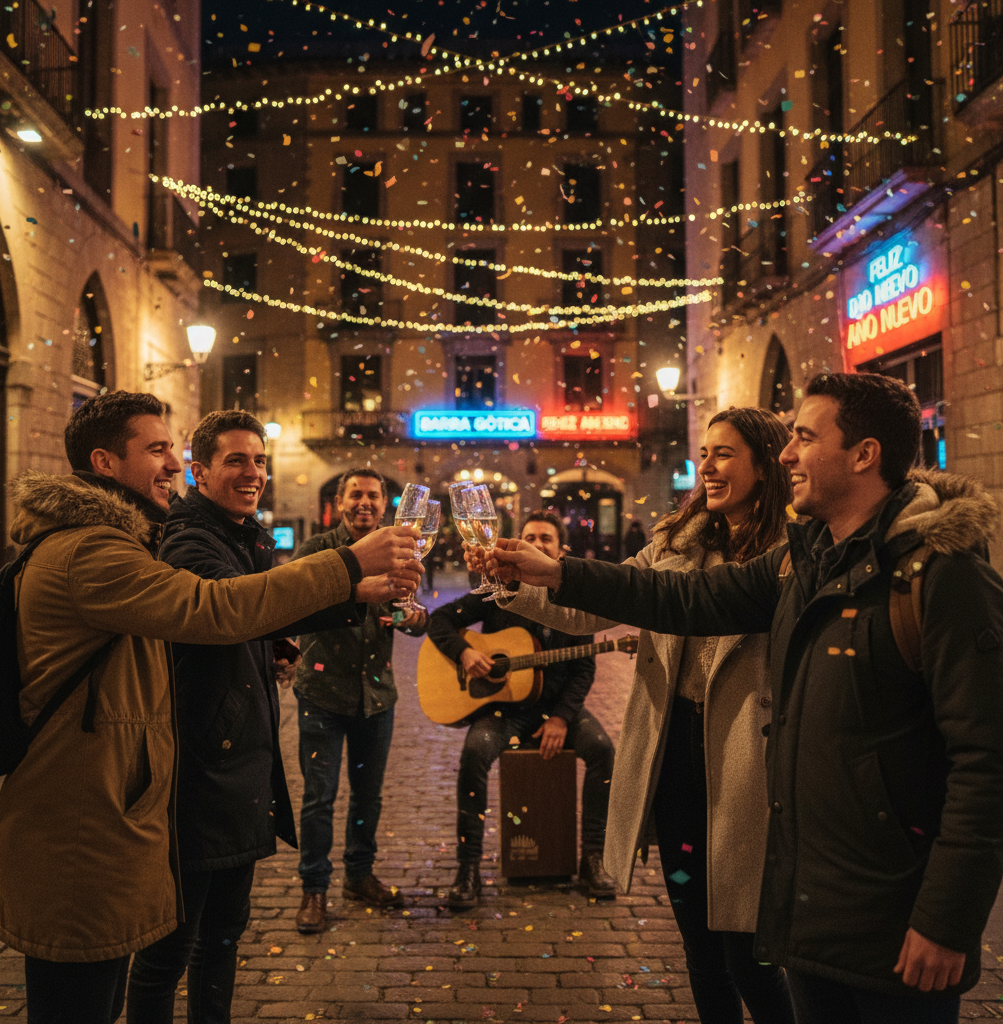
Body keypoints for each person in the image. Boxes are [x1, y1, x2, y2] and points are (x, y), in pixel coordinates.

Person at [490, 373, 1003, 1024]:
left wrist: (947, 920)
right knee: (724, 966)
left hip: (891, 911)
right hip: (811, 902)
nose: (788, 454)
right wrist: (556, 572)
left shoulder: (942, 577)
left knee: (754, 974)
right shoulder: (805, 561)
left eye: (805, 437)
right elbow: (680, 598)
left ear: (864, 455)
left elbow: (986, 763)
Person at [0, 392, 421, 1024]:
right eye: (158, 450)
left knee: (137, 971)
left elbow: (189, 631)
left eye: (173, 450)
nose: (172, 464)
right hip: (88, 815)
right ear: (105, 462)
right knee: (114, 981)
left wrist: (284, 635)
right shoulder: (94, 550)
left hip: (111, 803)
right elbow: (212, 608)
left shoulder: (123, 540)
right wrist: (348, 564)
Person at [490, 409, 796, 1024]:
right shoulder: (676, 543)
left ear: (765, 465)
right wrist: (519, 584)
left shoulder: (791, 554)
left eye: (724, 454)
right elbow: (593, 608)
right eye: (704, 454)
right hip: (676, 756)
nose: (707, 467)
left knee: (749, 952)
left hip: (746, 761)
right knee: (700, 948)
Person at [126, 412, 404, 1022]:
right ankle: (316, 886)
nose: (252, 472)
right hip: (199, 769)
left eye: (258, 460)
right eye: (235, 460)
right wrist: (351, 574)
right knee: (169, 949)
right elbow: (228, 608)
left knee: (223, 935)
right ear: (199, 471)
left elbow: (251, 615)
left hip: (235, 763)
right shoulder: (188, 537)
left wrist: (269, 644)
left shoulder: (241, 535)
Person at [429, 510, 617, 909]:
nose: (537, 543)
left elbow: (584, 668)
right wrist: (464, 653)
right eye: (529, 537)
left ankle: (593, 858)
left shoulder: (574, 601)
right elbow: (440, 620)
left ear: (561, 551)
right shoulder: (499, 591)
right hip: (505, 709)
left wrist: (562, 718)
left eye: (546, 538)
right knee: (475, 753)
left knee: (602, 750)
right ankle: (468, 868)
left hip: (558, 706)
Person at [292, 468, 429, 934]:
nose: (364, 502)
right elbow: (297, 604)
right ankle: (314, 888)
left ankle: (358, 875)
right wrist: (356, 592)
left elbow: (409, 617)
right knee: (319, 797)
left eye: (373, 495)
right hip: (322, 694)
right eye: (356, 494)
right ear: (340, 501)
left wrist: (413, 617)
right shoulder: (317, 551)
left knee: (368, 796)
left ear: (385, 505)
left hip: (377, 696)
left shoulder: (398, 553)